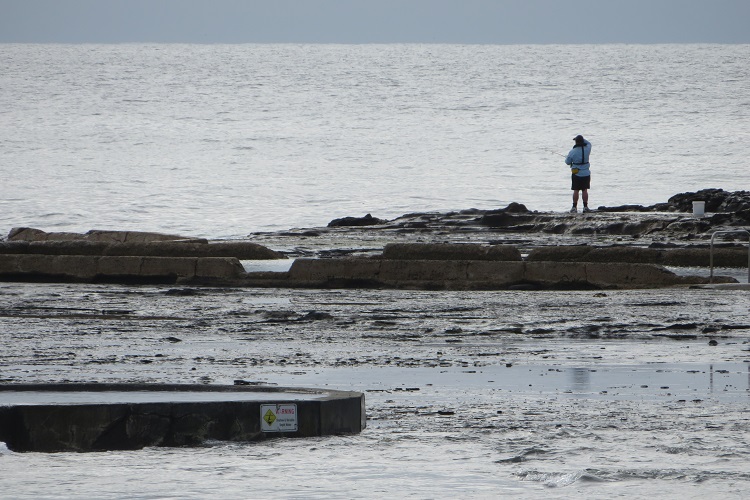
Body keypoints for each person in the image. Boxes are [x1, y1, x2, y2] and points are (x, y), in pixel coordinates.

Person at [565, 134, 592, 213]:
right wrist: (584, 140)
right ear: (583, 141)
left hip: (576, 174)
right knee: (585, 190)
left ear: (576, 142)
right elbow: (589, 143)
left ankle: (574, 207)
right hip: (586, 173)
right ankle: (585, 207)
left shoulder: (572, 151)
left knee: (576, 190)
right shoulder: (587, 149)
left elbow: (567, 162)